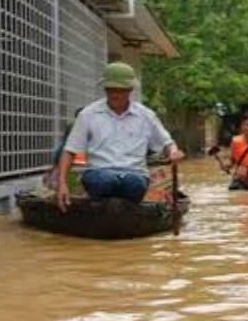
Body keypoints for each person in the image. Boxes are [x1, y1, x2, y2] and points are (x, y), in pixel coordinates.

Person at [56, 62, 185, 211]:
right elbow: (69, 150)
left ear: (130, 90)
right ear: (105, 89)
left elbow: (167, 144)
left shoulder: (146, 115)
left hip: (135, 175)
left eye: (120, 90)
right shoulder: (88, 114)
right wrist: (62, 184)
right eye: (110, 90)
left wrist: (174, 153)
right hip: (99, 174)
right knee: (105, 181)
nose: (115, 94)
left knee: (133, 183)